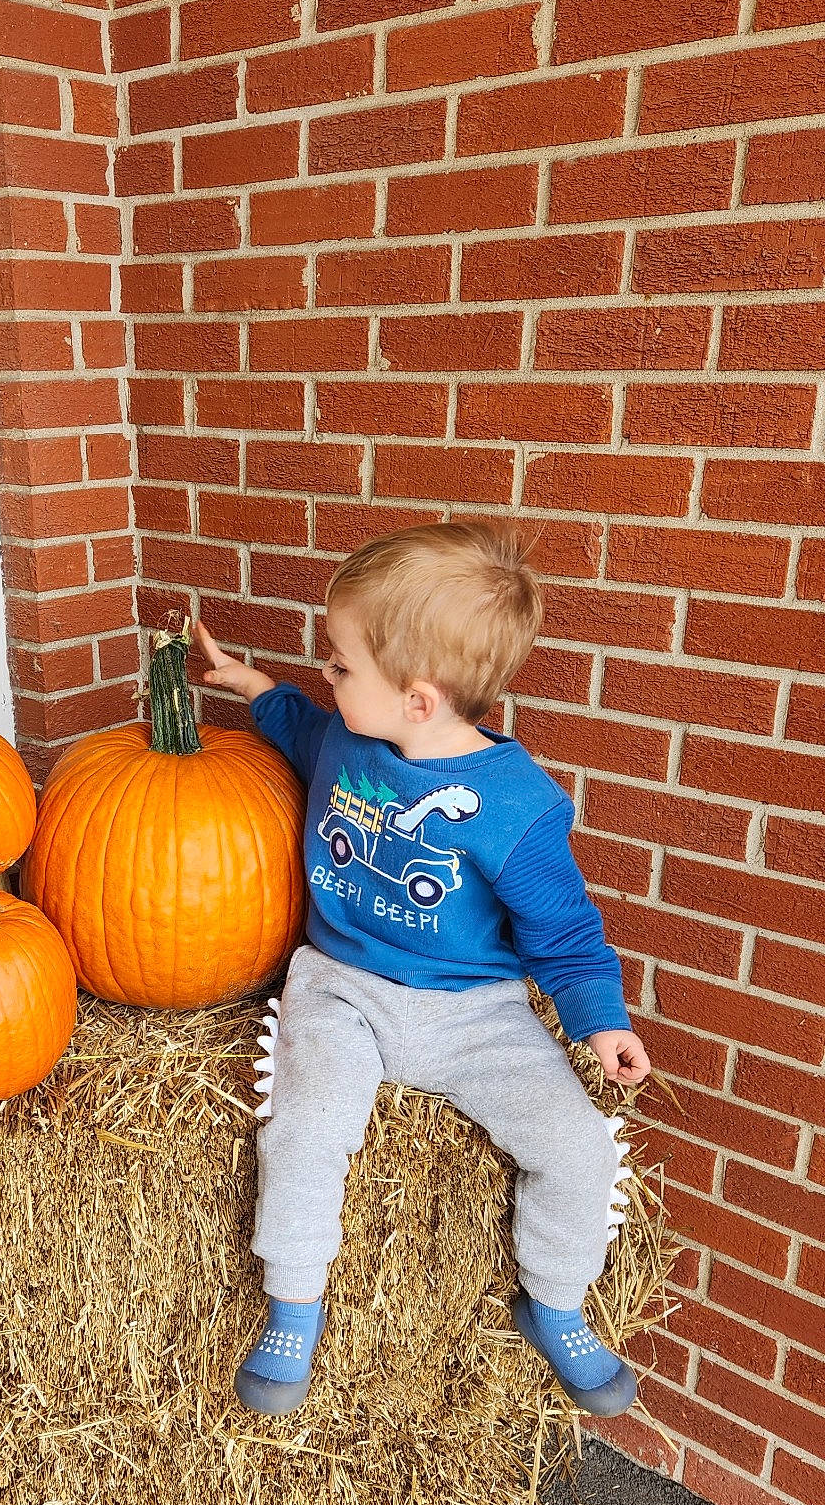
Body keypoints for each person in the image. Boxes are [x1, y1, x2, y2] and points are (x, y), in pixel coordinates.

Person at [193, 521, 650, 1420]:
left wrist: (601, 1020)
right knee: (308, 1129)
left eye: (341, 666)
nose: (327, 677)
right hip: (341, 990)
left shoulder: (517, 808)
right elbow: (301, 725)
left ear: (417, 698)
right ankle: (294, 1301)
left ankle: (554, 1301)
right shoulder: (347, 738)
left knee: (577, 1151)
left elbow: (563, 931)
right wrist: (256, 689)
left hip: (476, 1015)